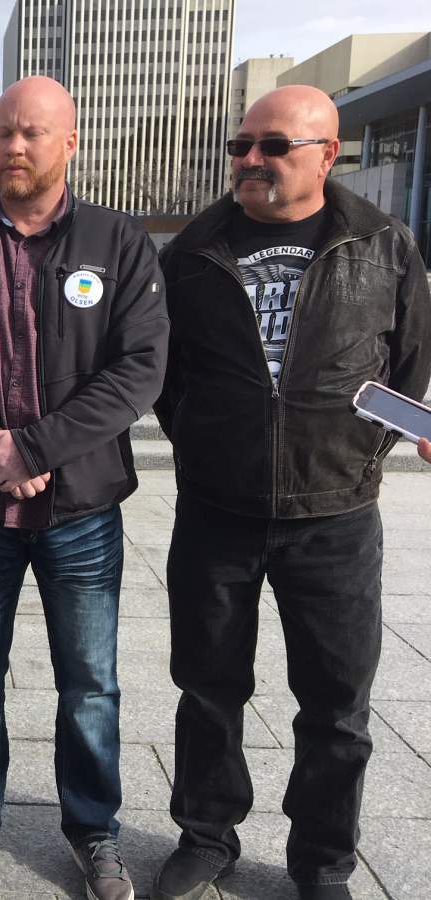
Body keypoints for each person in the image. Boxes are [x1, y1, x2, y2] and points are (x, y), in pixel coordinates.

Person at [0, 76, 168, 900]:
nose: (13, 146)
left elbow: (140, 367)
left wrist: (38, 446)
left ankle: (94, 829)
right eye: (3, 132)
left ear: (69, 142)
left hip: (80, 510)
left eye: (32, 132)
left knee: (90, 686)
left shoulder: (117, 242)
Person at [151, 85, 431, 900]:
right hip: (217, 511)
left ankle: (322, 862)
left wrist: (357, 455)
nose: (250, 160)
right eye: (241, 145)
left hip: (335, 517)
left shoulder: (382, 245)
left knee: (337, 704)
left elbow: (409, 366)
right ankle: (206, 837)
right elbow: (166, 377)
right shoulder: (193, 250)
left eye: (273, 146)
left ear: (327, 154)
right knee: (208, 688)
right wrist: (207, 441)